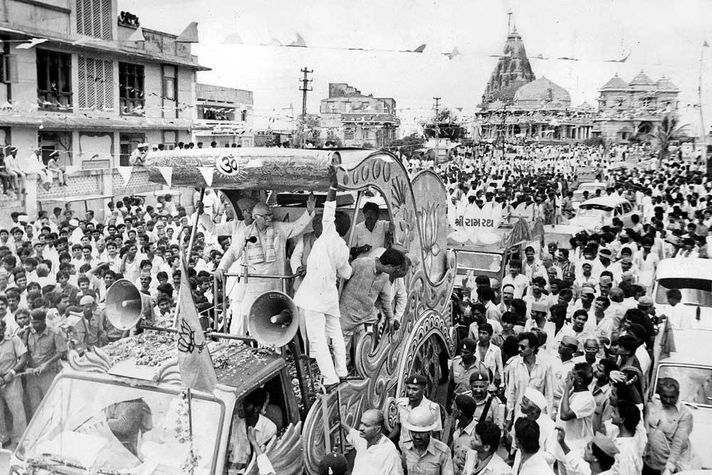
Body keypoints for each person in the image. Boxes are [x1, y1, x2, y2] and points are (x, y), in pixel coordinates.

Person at [215, 194, 316, 335]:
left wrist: (309, 211)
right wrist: (221, 268)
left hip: (274, 283)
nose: (270, 218)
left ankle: (270, 350)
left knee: (272, 320)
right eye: (266, 216)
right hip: (254, 283)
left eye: (270, 214)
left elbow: (296, 227)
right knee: (246, 315)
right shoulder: (246, 233)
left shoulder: (279, 228)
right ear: (256, 217)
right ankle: (242, 345)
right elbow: (232, 252)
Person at [293, 167, 352, 389]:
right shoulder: (343, 247)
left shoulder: (328, 231)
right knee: (335, 334)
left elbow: (329, 205)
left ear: (334, 224)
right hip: (329, 295)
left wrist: (333, 186)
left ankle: (330, 377)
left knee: (317, 340)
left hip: (313, 297)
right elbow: (346, 272)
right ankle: (342, 371)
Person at [339, 247, 406, 366]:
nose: (395, 273)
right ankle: (340, 378)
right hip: (346, 315)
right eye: (395, 269)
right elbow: (341, 281)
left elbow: (385, 300)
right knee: (342, 351)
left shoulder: (385, 277)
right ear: (389, 266)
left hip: (365, 317)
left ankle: (360, 376)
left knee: (364, 351)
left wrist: (391, 319)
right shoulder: (360, 263)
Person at [643, 377, 695, 475]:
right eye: (664, 396)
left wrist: (669, 468)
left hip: (668, 468)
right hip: (649, 463)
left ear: (678, 395)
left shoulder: (685, 415)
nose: (667, 400)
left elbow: (678, 444)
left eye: (672, 397)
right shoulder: (653, 405)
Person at [25, 308, 67, 415]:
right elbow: (25, 352)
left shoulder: (55, 332)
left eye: (36, 323)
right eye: (32, 323)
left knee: (52, 403)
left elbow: (62, 352)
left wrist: (46, 364)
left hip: (49, 373)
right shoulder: (28, 333)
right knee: (35, 405)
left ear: (44, 321)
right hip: (33, 375)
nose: (34, 325)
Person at [341, 409, 403, 475]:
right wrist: (341, 423)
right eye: (361, 423)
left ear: (378, 429)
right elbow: (352, 432)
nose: (361, 428)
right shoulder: (362, 439)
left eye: (366, 425)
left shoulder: (390, 453)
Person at [229, 389, 278, 470]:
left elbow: (264, 461)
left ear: (256, 408)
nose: (240, 408)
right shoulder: (233, 423)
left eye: (246, 405)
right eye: (240, 403)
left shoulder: (270, 429)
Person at [391, 374, 442, 451]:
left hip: (421, 452)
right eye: (408, 388)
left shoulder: (432, 408)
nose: (410, 392)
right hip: (402, 449)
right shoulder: (400, 404)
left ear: (424, 390)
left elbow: (436, 434)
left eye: (415, 389)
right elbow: (398, 427)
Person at [400, 405, 454, 475]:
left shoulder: (443, 451)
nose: (417, 436)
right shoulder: (406, 448)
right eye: (414, 432)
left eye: (421, 433)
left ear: (429, 431)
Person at [0, 319, 28, 447]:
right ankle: (3, 438)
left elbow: (23, 358)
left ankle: (21, 439)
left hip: (12, 379)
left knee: (17, 410)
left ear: (4, 328)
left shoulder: (13, 339)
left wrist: (11, 372)